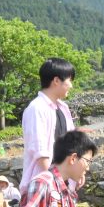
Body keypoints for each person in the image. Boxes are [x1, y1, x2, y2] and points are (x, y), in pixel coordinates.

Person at [20, 58, 77, 194]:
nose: (71, 85)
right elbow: (41, 152)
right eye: (69, 80)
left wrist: (76, 172)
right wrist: (56, 181)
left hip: (63, 182)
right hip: (45, 186)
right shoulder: (37, 108)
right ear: (56, 81)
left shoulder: (63, 108)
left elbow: (72, 143)